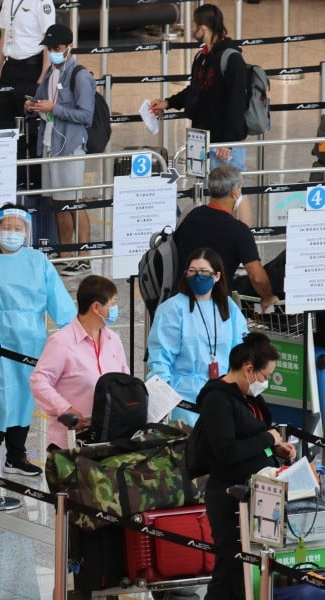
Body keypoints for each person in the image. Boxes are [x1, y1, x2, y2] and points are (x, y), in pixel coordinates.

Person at [184, 332, 295, 600]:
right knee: (229, 578)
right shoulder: (218, 400)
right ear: (248, 369)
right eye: (264, 375)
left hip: (255, 495)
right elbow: (227, 452)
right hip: (228, 497)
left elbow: (255, 440)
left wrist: (275, 448)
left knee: (248, 580)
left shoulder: (248, 399)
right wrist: (266, 440)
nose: (265, 382)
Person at [0, 204, 75, 475]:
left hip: (31, 338)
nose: (12, 233)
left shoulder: (38, 261)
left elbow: (59, 300)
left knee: (24, 396)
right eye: (7, 227)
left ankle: (16, 455)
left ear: (26, 232)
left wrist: (74, 335)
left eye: (18, 228)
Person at [150, 3, 252, 226]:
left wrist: (229, 143)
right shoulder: (202, 57)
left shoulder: (231, 59)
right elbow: (195, 90)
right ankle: (218, 236)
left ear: (203, 28)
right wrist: (168, 103)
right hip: (203, 139)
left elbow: (237, 103)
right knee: (213, 195)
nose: (193, 30)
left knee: (234, 194)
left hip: (224, 143)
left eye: (194, 26)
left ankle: (242, 238)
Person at [147, 248, 248, 426]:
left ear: (217, 276)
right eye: (192, 271)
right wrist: (162, 399)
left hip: (221, 394)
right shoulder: (173, 309)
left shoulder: (228, 307)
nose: (197, 276)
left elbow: (240, 350)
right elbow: (160, 357)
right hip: (184, 398)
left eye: (203, 272)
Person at [30, 275, 129, 451]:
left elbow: (124, 379)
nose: (115, 309)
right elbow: (39, 382)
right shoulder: (61, 342)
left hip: (108, 439)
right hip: (69, 443)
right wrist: (65, 408)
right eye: (112, 303)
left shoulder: (113, 340)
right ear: (96, 307)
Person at [25, 24, 95, 276]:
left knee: (74, 201)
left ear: (69, 47)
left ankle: (83, 255)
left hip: (70, 146)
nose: (53, 52)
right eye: (49, 48)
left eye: (57, 48)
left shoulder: (80, 76)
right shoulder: (49, 73)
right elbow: (40, 99)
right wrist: (32, 105)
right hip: (50, 144)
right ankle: (65, 254)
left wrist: (54, 108)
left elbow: (86, 115)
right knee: (59, 202)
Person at [172, 166, 274, 308]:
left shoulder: (191, 215)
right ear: (235, 193)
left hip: (181, 298)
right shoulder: (239, 231)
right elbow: (257, 277)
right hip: (214, 303)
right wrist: (268, 297)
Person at [0, 0, 55, 131]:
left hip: (31, 68)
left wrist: (43, 77)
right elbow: (4, 36)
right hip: (9, 67)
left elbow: (49, 41)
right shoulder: (8, 1)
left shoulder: (42, 2)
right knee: (3, 123)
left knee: (28, 124)